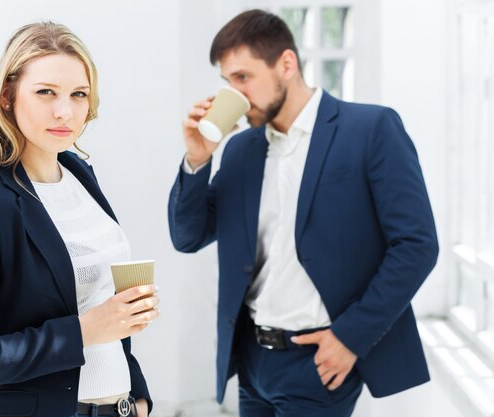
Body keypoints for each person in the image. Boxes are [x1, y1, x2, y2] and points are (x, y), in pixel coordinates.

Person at [168, 9, 438, 417]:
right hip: (252, 361)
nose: (234, 95)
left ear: (287, 65)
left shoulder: (370, 129)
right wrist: (196, 159)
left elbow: (416, 246)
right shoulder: (241, 150)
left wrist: (351, 337)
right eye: (227, 82)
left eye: (243, 78)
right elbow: (188, 237)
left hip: (319, 359)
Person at [0, 22, 159, 417]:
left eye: (78, 95)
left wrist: (136, 398)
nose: (64, 111)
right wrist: (84, 331)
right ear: (7, 96)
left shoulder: (79, 174)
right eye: (45, 93)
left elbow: (105, 306)